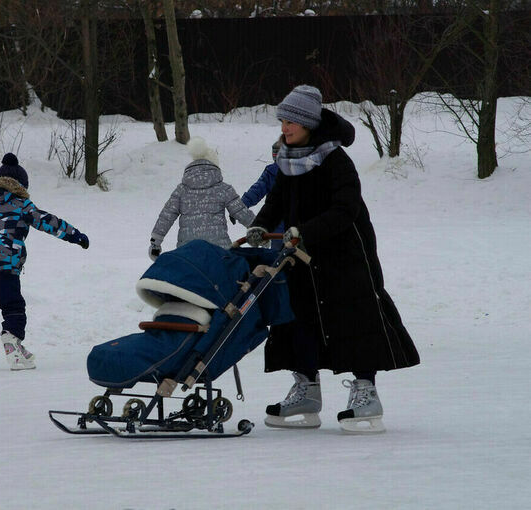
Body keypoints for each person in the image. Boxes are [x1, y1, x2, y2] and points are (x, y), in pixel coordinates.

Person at [245, 85, 419, 433]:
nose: (285, 127)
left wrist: (304, 231)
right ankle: (307, 391)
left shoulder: (335, 160)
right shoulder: (287, 158)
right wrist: (261, 226)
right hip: (299, 254)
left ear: (309, 122)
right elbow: (275, 201)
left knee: (353, 318)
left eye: (291, 121)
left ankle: (366, 394)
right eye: (282, 120)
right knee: (299, 317)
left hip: (345, 256)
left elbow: (346, 209)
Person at [0, 153, 89, 370]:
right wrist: (75, 236)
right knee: (12, 305)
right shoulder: (22, 205)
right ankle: (13, 344)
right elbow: (48, 221)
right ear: (21, 185)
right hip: (7, 265)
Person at [149, 137, 255, 259]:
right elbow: (242, 212)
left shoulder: (182, 190)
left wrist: (155, 242)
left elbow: (166, 215)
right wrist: (259, 230)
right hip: (219, 251)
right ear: (215, 166)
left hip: (187, 251)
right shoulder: (223, 189)